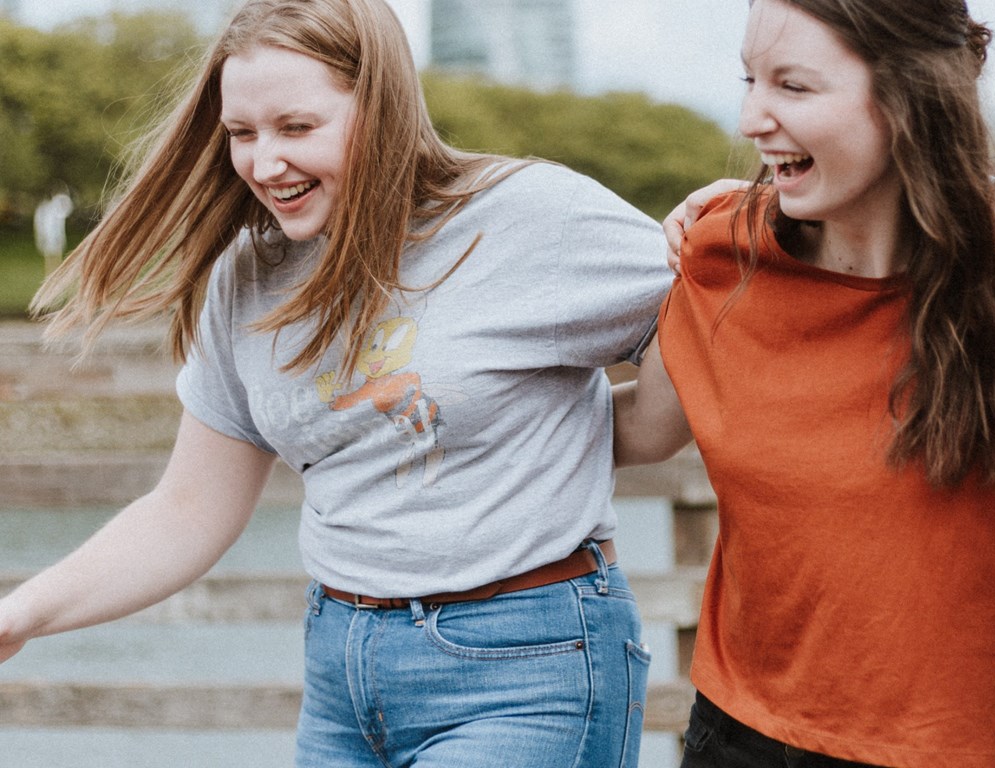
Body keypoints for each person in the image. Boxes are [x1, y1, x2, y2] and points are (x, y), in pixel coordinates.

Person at [0, 1, 674, 766]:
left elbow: (710, 320)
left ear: (380, 108)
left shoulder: (528, 218)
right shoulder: (248, 278)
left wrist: (585, 432)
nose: (263, 163)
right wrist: (20, 613)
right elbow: (188, 510)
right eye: (241, 134)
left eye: (296, 128)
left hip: (527, 668)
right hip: (343, 673)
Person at [614, 1, 995, 766]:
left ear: (912, 94)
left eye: (793, 88)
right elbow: (637, 429)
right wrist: (433, 406)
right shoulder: (720, 252)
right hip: (739, 737)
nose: (750, 119)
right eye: (749, 80)